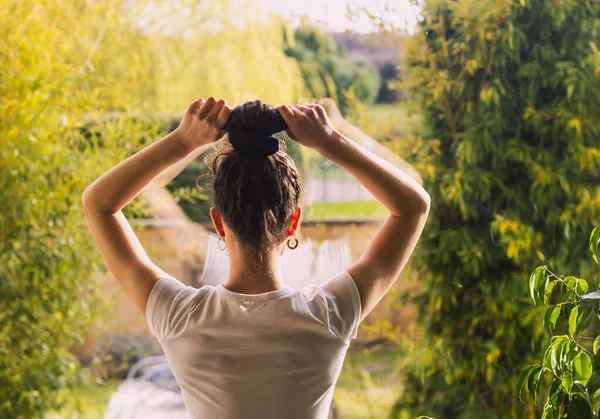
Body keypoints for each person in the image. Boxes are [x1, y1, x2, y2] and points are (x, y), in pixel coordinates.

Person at [82, 96, 430, 418]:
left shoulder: (178, 316)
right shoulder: (329, 315)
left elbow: (99, 204)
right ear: (293, 221)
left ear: (218, 223)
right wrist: (328, 140)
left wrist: (183, 140)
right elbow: (413, 207)